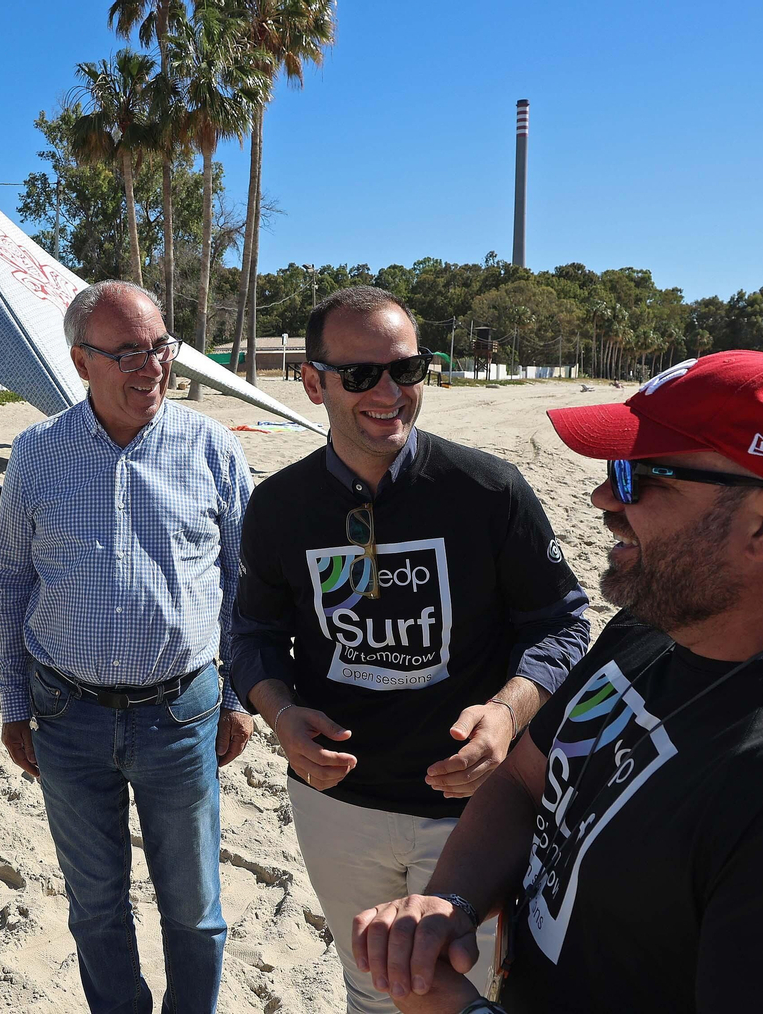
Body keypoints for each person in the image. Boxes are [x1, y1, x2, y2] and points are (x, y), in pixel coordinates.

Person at [351, 350, 763, 1014]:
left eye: (640, 477)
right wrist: (454, 900)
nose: (604, 498)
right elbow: (527, 780)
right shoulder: (656, 623)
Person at [227, 286, 590, 1014]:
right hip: (337, 805)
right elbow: (252, 634)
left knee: (457, 989)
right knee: (369, 987)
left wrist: (505, 711)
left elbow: (561, 623)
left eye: (409, 368)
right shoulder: (280, 506)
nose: (390, 392)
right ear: (313, 380)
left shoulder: (489, 490)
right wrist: (280, 713)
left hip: (473, 813)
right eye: (361, 375)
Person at [0, 280, 256, 1014]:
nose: (152, 367)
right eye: (128, 352)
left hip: (184, 713)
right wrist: (15, 705)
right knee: (96, 907)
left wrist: (239, 697)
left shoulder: (212, 448)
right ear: (81, 362)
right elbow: (11, 582)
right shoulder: (37, 453)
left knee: (195, 912)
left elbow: (245, 584)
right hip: (65, 714)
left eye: (160, 346)